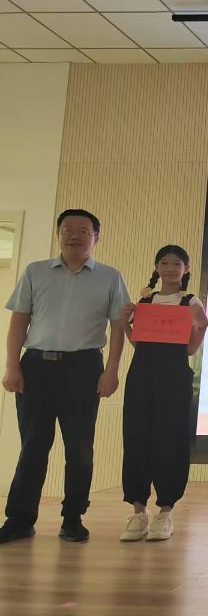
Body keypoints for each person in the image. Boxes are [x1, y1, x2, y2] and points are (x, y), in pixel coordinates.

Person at [0, 209, 129, 544]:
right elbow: (19, 321)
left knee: (80, 447)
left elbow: (118, 328)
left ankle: (73, 518)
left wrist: (112, 370)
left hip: (83, 370)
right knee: (33, 446)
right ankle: (19, 520)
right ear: (59, 234)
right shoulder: (36, 271)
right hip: (36, 368)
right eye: (68, 229)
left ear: (96, 237)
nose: (75, 236)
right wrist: (12, 366)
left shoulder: (110, 277)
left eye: (83, 231)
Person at [118, 245, 208, 542]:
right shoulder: (146, 300)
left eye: (176, 263)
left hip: (174, 379)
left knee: (171, 439)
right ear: (157, 267)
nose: (170, 268)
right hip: (141, 376)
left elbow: (191, 349)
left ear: (186, 269)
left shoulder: (190, 301)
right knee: (136, 436)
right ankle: (138, 512)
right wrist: (126, 322)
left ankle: (166, 512)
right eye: (164, 263)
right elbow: (138, 343)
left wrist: (201, 326)